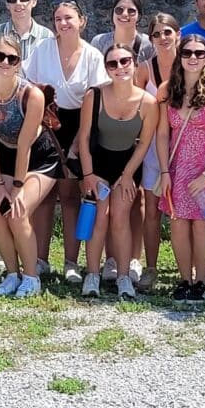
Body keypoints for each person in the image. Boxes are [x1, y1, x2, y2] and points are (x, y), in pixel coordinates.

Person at [22, 1, 109, 282]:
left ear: (82, 21)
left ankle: (71, 262)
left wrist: (79, 142)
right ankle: (41, 258)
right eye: (58, 18)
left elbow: (96, 102)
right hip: (45, 125)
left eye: (69, 18)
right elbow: (28, 87)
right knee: (44, 196)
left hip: (79, 127)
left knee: (71, 196)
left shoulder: (93, 56)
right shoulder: (42, 50)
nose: (63, 23)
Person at [0, 34, 63, 298]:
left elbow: (25, 144)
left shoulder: (32, 95)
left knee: (17, 210)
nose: (4, 62)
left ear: (18, 63)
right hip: (4, 156)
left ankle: (32, 277)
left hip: (39, 157)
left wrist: (16, 187)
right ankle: (12, 274)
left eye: (11, 58)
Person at [154, 34, 205, 303]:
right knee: (178, 225)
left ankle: (200, 281)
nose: (192, 58)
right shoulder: (167, 90)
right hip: (178, 169)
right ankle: (184, 279)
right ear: (180, 56)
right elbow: (162, 135)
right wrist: (164, 171)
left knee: (201, 226)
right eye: (187, 52)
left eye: (199, 53)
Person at [76, 45, 158, 300]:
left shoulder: (148, 102)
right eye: (113, 64)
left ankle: (124, 276)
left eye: (125, 61)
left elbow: (144, 143)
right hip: (98, 165)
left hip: (127, 166)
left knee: (120, 218)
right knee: (100, 216)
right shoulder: (95, 96)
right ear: (106, 68)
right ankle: (92, 274)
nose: (120, 67)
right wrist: (88, 174)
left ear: (134, 63)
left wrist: (127, 175)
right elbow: (85, 137)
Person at [133, 12, 180, 292]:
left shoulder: (192, 64)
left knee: (185, 212)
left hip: (186, 146)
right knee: (151, 209)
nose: (162, 38)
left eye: (167, 32)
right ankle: (151, 267)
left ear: (178, 35)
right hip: (152, 146)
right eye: (156, 34)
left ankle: (188, 266)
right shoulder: (144, 69)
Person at [89, 0, 154, 63]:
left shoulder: (149, 46)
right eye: (119, 10)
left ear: (138, 16)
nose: (124, 14)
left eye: (131, 11)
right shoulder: (99, 43)